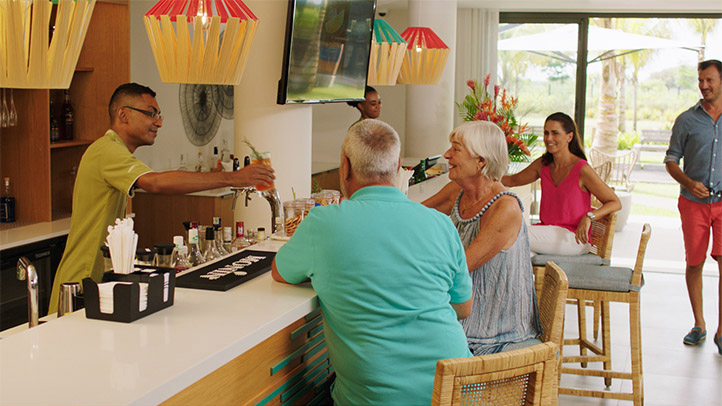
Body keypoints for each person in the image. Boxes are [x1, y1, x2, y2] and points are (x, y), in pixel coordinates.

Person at [271, 119, 473, 405]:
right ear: (398, 166)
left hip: (374, 398)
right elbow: (463, 308)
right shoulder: (440, 224)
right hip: (453, 391)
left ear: (345, 167)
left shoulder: (323, 224)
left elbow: (280, 272)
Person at [48, 83, 275, 313]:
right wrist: (231, 178)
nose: (158, 122)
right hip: (81, 279)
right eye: (150, 113)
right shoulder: (106, 150)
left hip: (99, 277)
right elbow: (154, 183)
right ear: (123, 114)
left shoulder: (116, 153)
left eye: (159, 115)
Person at [423, 120, 542, 355]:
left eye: (456, 149)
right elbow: (413, 216)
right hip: (463, 310)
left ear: (481, 162)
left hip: (492, 331)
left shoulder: (505, 208)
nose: (447, 154)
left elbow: (460, 268)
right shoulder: (459, 191)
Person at [502, 112, 621, 256]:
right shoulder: (543, 164)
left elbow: (614, 202)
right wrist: (483, 173)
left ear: (569, 137)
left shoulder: (582, 169)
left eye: (555, 133)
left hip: (574, 238)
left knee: (511, 233)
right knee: (515, 253)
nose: (549, 138)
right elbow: (512, 180)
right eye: (546, 133)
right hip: (547, 234)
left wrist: (589, 216)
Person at [664, 59, 722, 355]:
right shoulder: (686, 120)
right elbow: (671, 160)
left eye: (709, 80)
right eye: (701, 80)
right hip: (693, 203)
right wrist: (688, 182)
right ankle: (699, 323)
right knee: (695, 263)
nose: (704, 85)